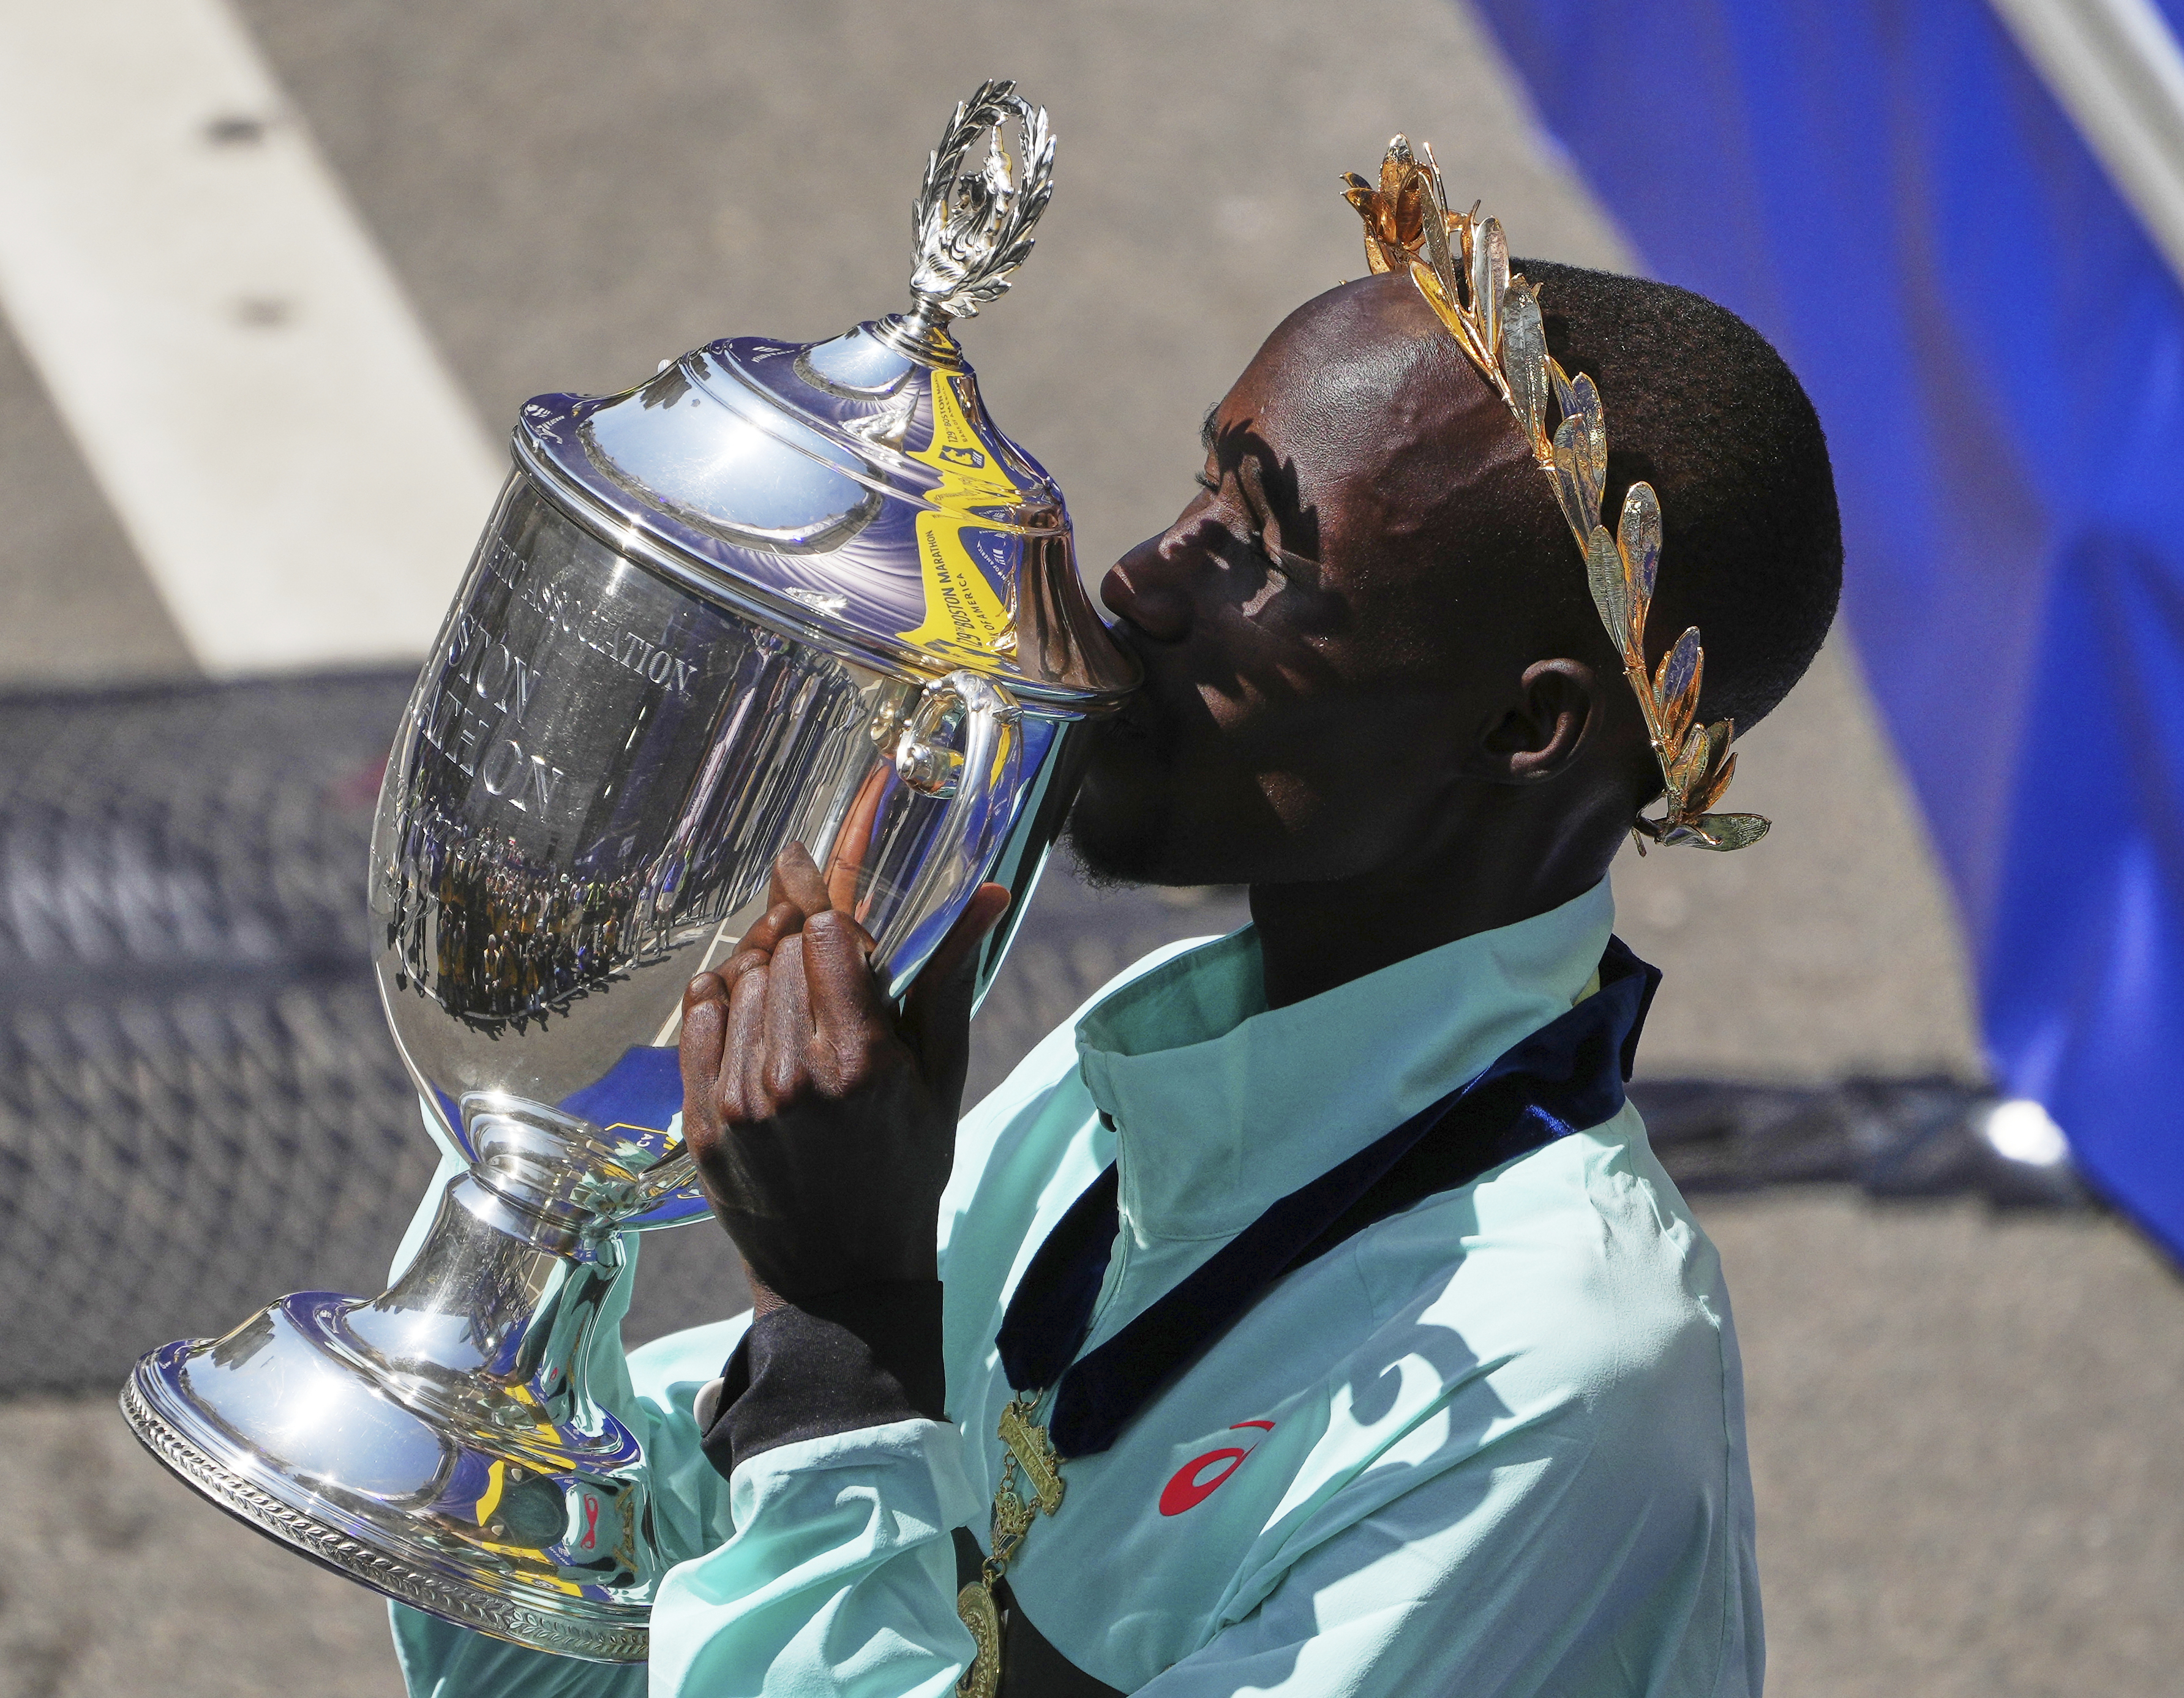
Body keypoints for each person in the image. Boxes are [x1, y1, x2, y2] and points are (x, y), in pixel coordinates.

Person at [394, 141, 1841, 1697]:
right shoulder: (1124, 1084)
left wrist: (843, 1343)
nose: (1144, 580)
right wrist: (555, 1155)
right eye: (1202, 484)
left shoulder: (1558, 1389)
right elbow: (602, 1624)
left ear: (1519, 731)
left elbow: (799, 1519)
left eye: (1264, 547)